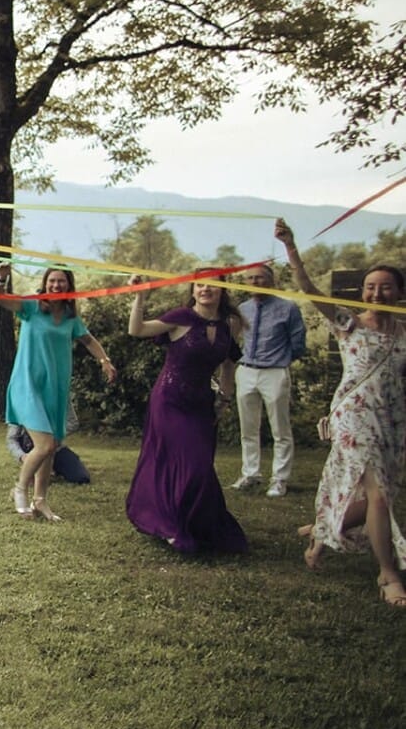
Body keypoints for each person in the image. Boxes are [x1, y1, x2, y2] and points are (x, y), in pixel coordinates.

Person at [276, 220, 406, 608]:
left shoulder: (404, 333)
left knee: (383, 494)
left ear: (399, 292)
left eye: (385, 287)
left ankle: (322, 531)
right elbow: (309, 289)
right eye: (370, 286)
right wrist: (291, 247)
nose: (377, 293)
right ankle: (388, 575)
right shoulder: (348, 324)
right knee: (378, 495)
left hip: (393, 421)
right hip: (354, 418)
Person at [125, 272, 249, 554]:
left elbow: (229, 365)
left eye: (212, 285)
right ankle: (169, 525)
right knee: (188, 463)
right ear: (193, 290)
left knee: (201, 464)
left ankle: (194, 524)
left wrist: (224, 399)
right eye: (200, 284)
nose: (205, 289)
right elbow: (137, 330)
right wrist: (140, 297)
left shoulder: (230, 324)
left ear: (222, 291)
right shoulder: (181, 317)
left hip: (202, 404)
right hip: (169, 401)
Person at [0, 263, 117, 521]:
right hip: (28, 384)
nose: (56, 285)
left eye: (61, 281)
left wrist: (104, 361)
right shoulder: (31, 307)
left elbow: (88, 340)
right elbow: (1, 299)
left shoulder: (71, 318)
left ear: (69, 285)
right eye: (52, 281)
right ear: (45, 283)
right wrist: (1, 279)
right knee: (45, 444)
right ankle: (20, 490)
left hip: (55, 388)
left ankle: (40, 501)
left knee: (51, 448)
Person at [231, 264, 307, 497]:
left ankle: (279, 479)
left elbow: (298, 343)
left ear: (271, 281)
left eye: (260, 278)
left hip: (274, 372)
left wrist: (281, 360)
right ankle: (250, 474)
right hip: (246, 370)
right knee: (248, 428)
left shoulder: (288, 308)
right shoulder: (243, 308)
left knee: (280, 429)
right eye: (250, 278)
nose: (255, 282)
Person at [6, 423, 91, 485]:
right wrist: (22, 456)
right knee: (33, 481)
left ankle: (52, 469)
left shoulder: (61, 402)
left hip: (56, 448)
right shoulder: (22, 406)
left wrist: (53, 436)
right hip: (30, 448)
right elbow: (12, 439)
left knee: (81, 478)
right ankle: (32, 470)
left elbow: (72, 423)